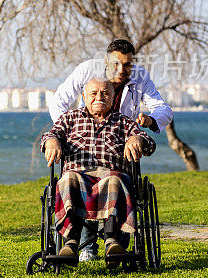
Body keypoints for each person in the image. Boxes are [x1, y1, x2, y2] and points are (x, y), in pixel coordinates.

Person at [47, 39, 172, 261]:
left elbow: (162, 109)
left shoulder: (134, 93)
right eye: (116, 64)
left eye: (127, 65)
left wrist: (148, 124)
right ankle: (79, 244)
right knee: (72, 179)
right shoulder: (86, 72)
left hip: (116, 156)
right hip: (80, 157)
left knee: (114, 180)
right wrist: (65, 133)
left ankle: (114, 243)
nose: (121, 70)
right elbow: (59, 101)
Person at [41, 78, 156, 263]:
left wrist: (137, 140)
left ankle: (112, 241)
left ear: (112, 98)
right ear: (84, 97)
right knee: (68, 179)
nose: (99, 97)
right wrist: (51, 142)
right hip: (78, 174)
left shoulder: (123, 122)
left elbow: (149, 143)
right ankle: (70, 243)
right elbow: (51, 134)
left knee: (114, 180)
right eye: (93, 93)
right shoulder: (70, 118)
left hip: (112, 174)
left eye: (105, 93)